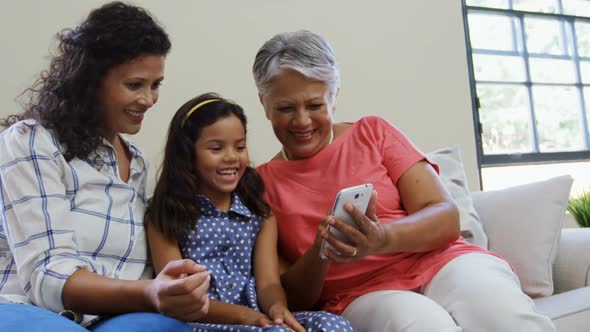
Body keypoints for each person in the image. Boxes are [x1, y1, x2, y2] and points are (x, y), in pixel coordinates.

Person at [251, 30, 556, 332]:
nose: (302, 121)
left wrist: (381, 238)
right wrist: (322, 250)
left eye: (315, 105)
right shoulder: (260, 184)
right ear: (264, 103)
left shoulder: (373, 132)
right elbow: (293, 297)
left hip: (442, 263)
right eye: (286, 108)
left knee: (500, 313)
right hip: (361, 295)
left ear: (334, 95)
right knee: (423, 324)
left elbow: (446, 217)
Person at [0, 3, 210, 331]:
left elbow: (144, 272)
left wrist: (173, 288)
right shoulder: (31, 141)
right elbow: (46, 275)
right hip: (30, 308)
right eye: (135, 84)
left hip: (110, 317)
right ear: (91, 80)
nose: (149, 99)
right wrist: (149, 293)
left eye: (156, 85)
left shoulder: (138, 163)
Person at [145, 92, 355, 332]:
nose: (231, 157)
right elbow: (178, 293)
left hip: (256, 313)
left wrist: (277, 308)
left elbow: (268, 282)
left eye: (240, 146)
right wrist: (244, 316)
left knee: (333, 324)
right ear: (187, 153)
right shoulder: (165, 214)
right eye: (216, 148)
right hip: (200, 320)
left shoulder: (259, 212)